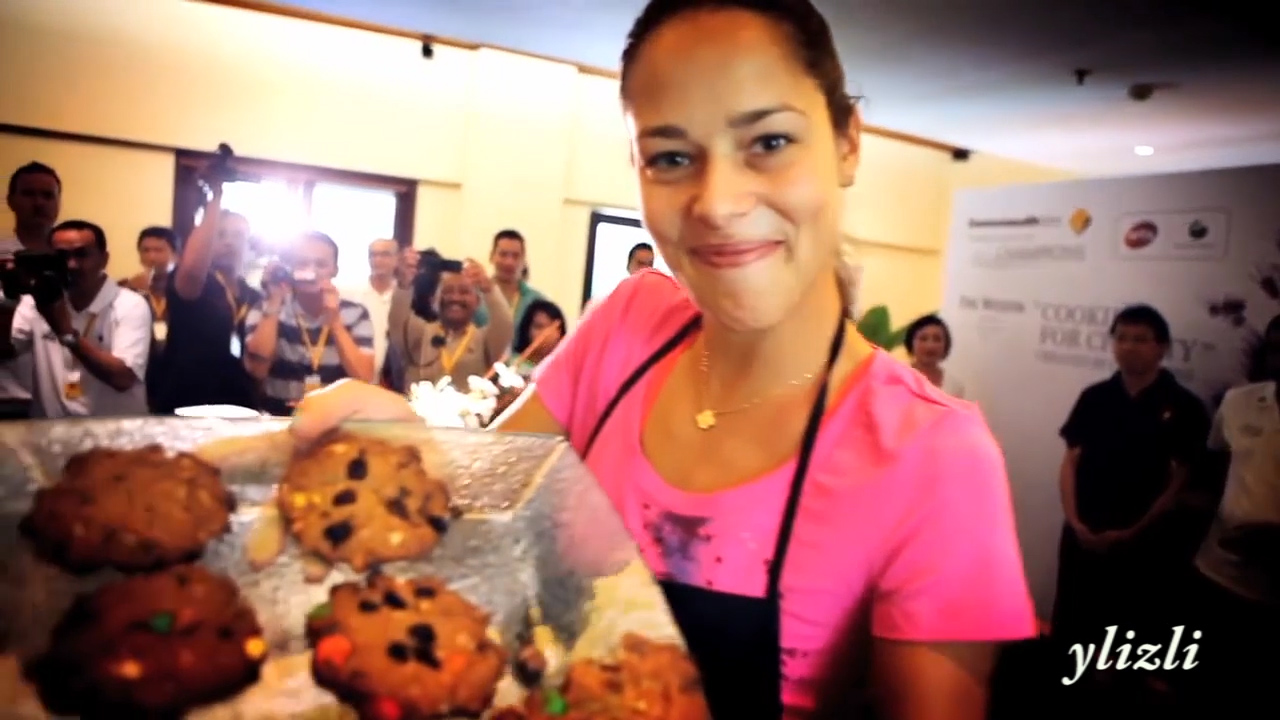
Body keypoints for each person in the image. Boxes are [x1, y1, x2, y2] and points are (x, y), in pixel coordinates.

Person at [291, 1, 1034, 717]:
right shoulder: (630, 325)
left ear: (847, 142)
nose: (717, 203)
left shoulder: (933, 453)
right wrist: (407, 441)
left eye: (769, 142)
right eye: (672, 157)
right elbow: (488, 493)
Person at [1051, 304, 1210, 691]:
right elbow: (1070, 461)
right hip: (1084, 533)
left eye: (1140, 339)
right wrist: (1075, 522)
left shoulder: (1184, 406)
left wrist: (1132, 531)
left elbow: (1180, 481)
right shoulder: (1095, 397)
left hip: (1144, 540)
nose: (1128, 346)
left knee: (1131, 626)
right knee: (1076, 617)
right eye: (1121, 338)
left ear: (1162, 347)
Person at [1185, 314, 1280, 715]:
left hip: (1273, 585)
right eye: (1274, 348)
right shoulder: (1238, 402)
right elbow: (1214, 470)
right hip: (1217, 569)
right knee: (1207, 681)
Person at [0, 220, 150, 417]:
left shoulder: (130, 304)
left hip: (114, 430)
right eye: (61, 257)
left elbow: (122, 378)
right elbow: (6, 351)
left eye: (82, 254)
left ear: (104, 259)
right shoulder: (36, 301)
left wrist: (66, 333)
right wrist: (9, 299)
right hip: (50, 430)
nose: (71, 265)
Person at [159, 177, 262, 413]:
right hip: (187, 402)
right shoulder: (194, 282)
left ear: (249, 245)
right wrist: (216, 196)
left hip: (239, 405)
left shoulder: (254, 296)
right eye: (220, 234)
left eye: (238, 235)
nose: (229, 242)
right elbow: (192, 269)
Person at [243, 231, 375, 416]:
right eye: (302, 263)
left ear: (334, 270)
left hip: (335, 420)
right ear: (290, 268)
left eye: (321, 264)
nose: (311, 271)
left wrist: (335, 321)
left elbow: (364, 377)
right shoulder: (267, 308)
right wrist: (274, 301)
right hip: (278, 417)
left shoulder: (356, 313)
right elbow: (257, 369)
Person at [389, 257, 512, 388]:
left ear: (477, 302)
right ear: (433, 300)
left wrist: (489, 289)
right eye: (447, 291)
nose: (455, 298)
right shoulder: (421, 333)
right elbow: (397, 320)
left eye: (464, 292)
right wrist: (403, 286)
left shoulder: (484, 340)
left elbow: (504, 324)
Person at [0, 162, 61, 419]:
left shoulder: (73, 261)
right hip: (6, 397)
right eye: (28, 194)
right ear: (11, 201)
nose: (39, 203)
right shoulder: (1, 256)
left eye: (48, 195)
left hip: (63, 401)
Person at [474, 229, 544, 334]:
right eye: (503, 254)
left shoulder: (537, 302)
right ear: (492, 256)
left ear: (524, 260)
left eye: (515, 256)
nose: (509, 262)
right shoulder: (475, 296)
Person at [904, 314, 965, 398]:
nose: (930, 346)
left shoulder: (954, 386)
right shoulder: (898, 378)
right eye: (923, 339)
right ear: (911, 343)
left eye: (937, 339)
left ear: (946, 345)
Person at [509, 298, 566, 377]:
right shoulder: (511, 366)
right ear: (526, 330)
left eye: (550, 328)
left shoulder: (564, 371)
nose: (546, 333)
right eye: (539, 327)